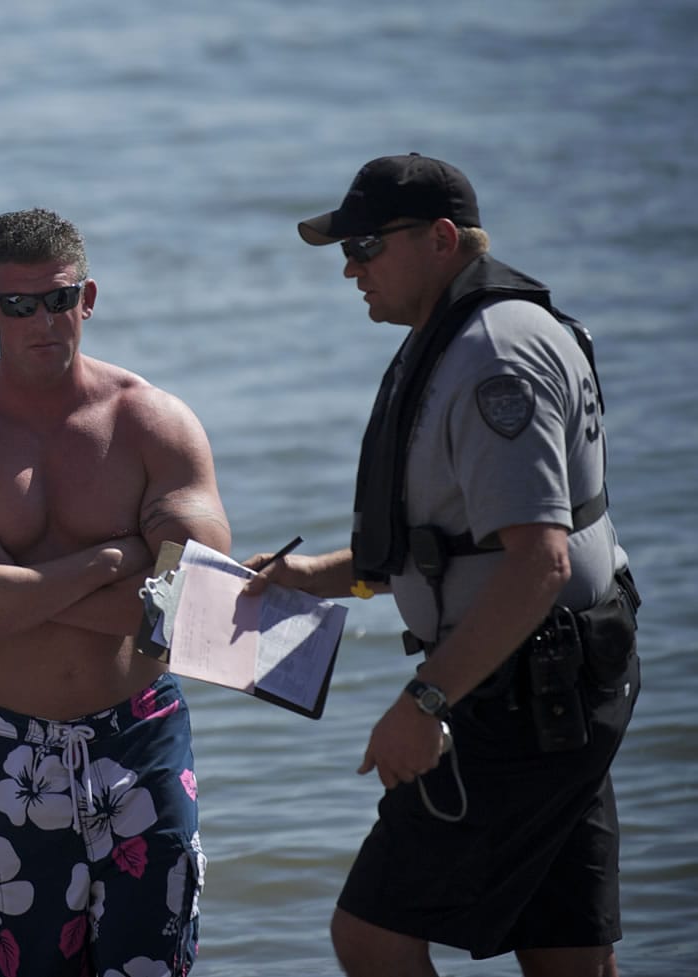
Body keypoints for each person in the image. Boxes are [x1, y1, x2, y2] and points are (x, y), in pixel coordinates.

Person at [243, 154, 640, 977]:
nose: (350, 269)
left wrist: (424, 701)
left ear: (441, 238)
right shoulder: (457, 335)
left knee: (372, 936)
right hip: (545, 682)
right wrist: (313, 575)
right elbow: (456, 541)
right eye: (344, 252)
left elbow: (536, 562)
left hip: (527, 694)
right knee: (568, 954)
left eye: (365, 247)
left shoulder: (494, 356)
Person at [0, 208, 231, 977]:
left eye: (60, 298)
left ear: (89, 297)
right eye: (19, 305)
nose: (44, 319)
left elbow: (195, 611)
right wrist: (110, 560)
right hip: (5, 747)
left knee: (153, 965)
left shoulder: (151, 422)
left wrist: (10, 573)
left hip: (139, 738)